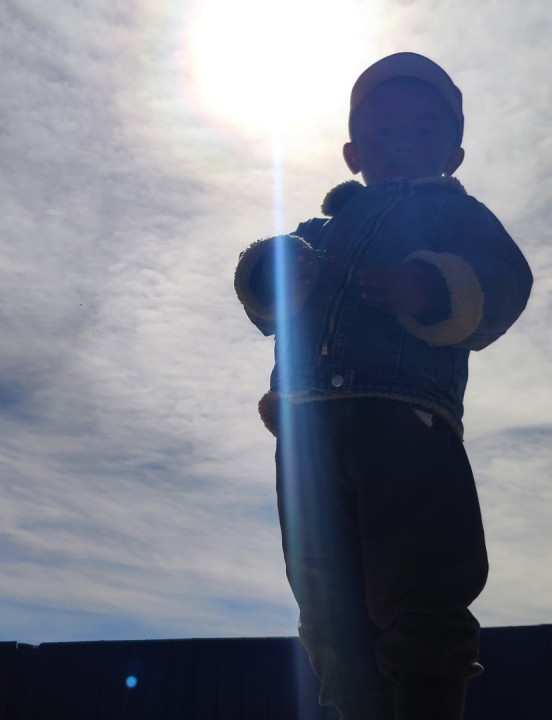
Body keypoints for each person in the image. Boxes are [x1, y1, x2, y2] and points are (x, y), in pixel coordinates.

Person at [233, 52, 533, 720]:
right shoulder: (317, 233)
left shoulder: (459, 217)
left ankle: (427, 704)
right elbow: (262, 297)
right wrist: (271, 275)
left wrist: (431, 286)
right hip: (306, 438)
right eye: (384, 131)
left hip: (406, 422)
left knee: (421, 581)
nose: (402, 142)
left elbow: (507, 282)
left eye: (424, 130)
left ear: (453, 156)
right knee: (325, 597)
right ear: (352, 153)